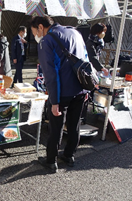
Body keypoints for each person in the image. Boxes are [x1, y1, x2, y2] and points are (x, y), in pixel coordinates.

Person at [30, 16, 88, 173]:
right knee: (74, 124)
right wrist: (87, 88)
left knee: (56, 127)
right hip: (81, 88)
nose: (35, 35)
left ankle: (51, 161)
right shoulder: (75, 32)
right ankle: (69, 155)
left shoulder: (46, 41)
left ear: (40, 27)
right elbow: (85, 60)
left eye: (34, 31)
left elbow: (50, 73)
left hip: (62, 91)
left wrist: (54, 101)